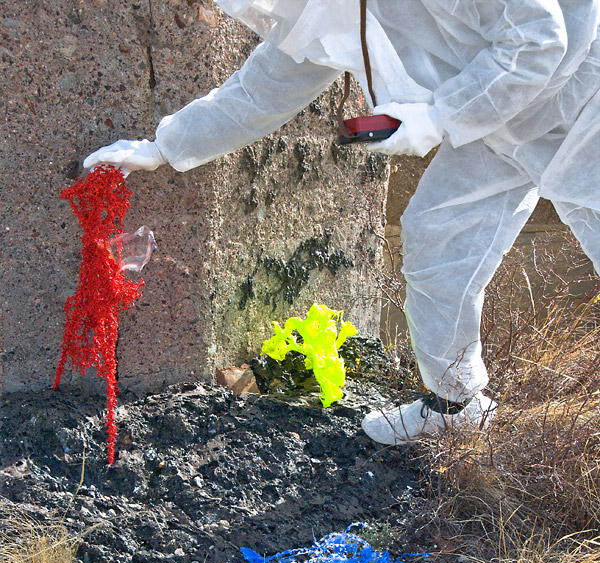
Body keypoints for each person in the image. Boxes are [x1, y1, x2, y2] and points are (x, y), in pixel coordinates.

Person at [84, 0, 600, 445]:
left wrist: (439, 117)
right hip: (496, 127)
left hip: (580, 97)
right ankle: (455, 407)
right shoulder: (321, 14)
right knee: (436, 235)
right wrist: (161, 148)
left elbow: (536, 41)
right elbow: (256, 95)